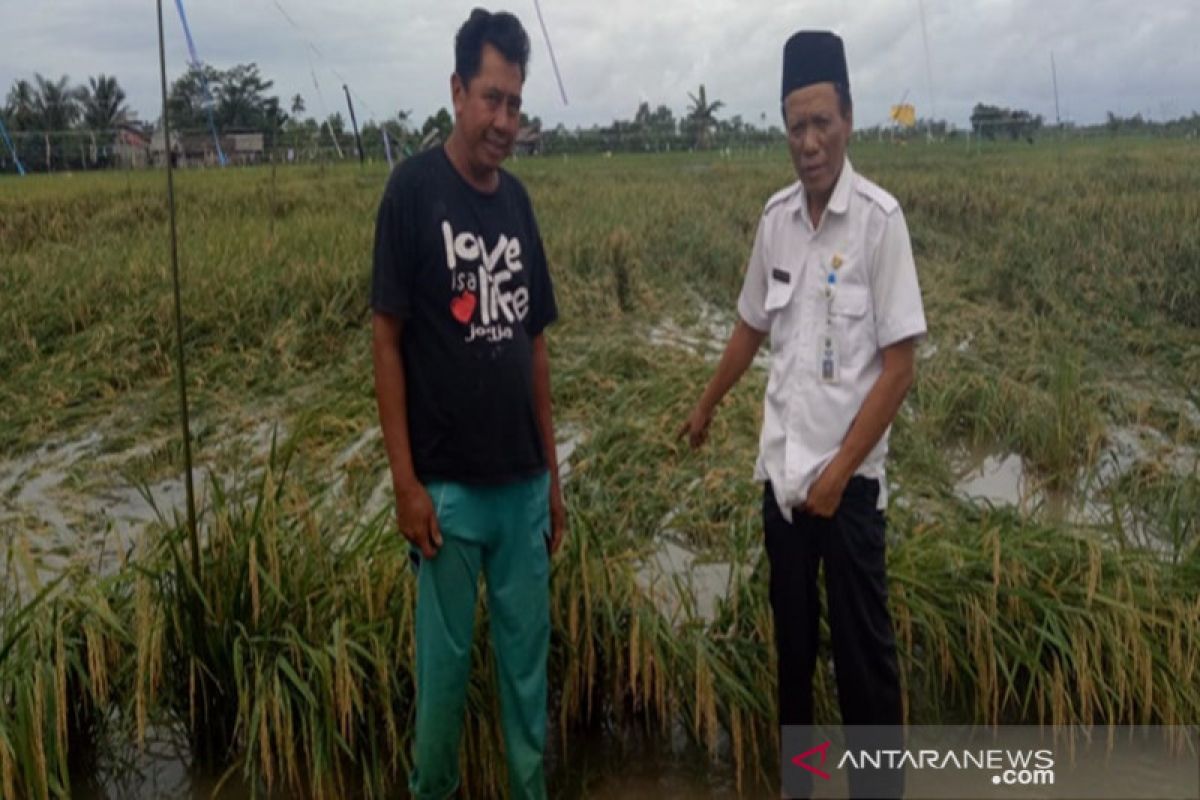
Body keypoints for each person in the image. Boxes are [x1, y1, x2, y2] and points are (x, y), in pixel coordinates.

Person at [678, 30, 926, 799]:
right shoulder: (776, 221)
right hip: (783, 487)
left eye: (822, 122)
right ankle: (803, 787)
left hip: (846, 494)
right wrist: (706, 404)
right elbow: (753, 323)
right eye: (796, 126)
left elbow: (900, 366)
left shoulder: (880, 223)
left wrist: (839, 473)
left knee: (863, 664)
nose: (809, 142)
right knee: (793, 660)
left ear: (848, 119)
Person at [370, 9, 564, 799]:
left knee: (527, 681)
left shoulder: (517, 205)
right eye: (491, 99)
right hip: (446, 496)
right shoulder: (413, 191)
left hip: (521, 491)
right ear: (456, 90)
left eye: (516, 103)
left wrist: (553, 479)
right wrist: (406, 484)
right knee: (442, 690)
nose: (505, 121)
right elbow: (387, 340)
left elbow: (537, 345)